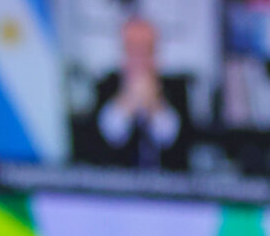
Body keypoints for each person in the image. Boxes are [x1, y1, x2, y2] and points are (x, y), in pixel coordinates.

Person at [71, 13, 193, 171]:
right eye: (133, 49)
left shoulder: (177, 89)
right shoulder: (104, 85)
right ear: (123, 53)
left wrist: (155, 105)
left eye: (146, 49)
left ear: (156, 53)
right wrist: (127, 102)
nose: (140, 57)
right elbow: (99, 143)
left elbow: (178, 145)